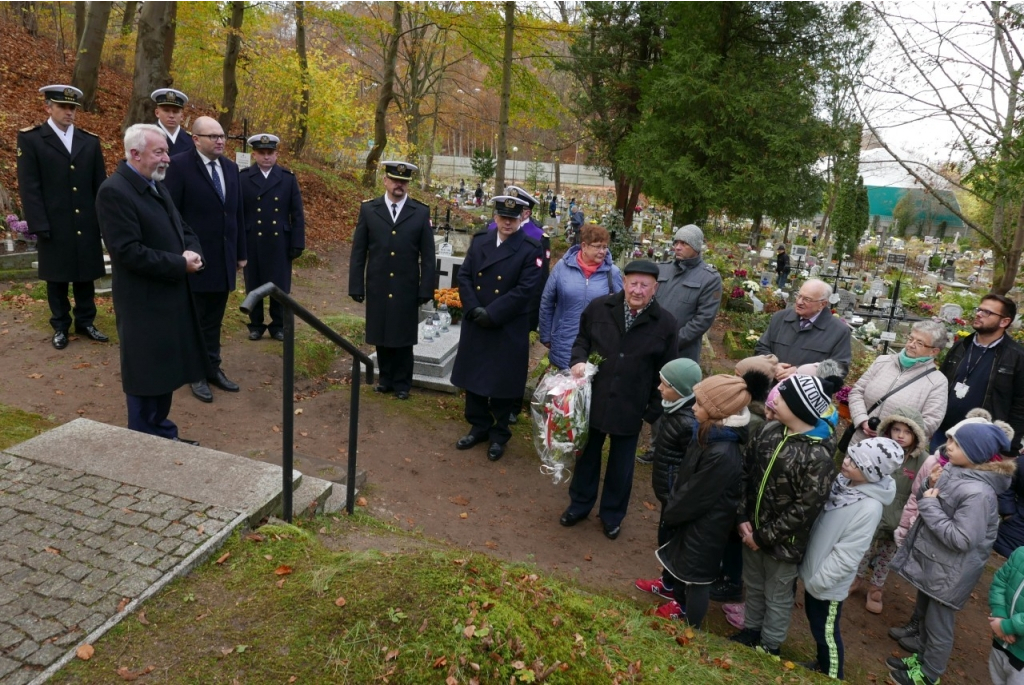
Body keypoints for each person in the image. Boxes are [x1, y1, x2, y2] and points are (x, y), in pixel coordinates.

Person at [94, 124, 206, 441]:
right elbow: (128, 253)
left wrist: (194, 252)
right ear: (135, 154)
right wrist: (179, 264)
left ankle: (161, 433)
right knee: (146, 376)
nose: (167, 159)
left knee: (165, 371)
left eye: (166, 152)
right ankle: (144, 440)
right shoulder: (114, 192)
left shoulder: (155, 184)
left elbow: (183, 228)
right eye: (159, 152)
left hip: (169, 296)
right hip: (142, 303)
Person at [886, 422, 1015, 685]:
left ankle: (930, 674)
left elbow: (962, 538)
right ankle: (920, 659)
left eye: (957, 443)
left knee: (938, 625)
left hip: (951, 573)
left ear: (977, 453)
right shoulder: (956, 472)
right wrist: (928, 488)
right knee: (924, 615)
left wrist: (930, 505)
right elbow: (930, 498)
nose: (948, 446)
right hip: (936, 563)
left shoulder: (979, 493)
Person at [559, 260, 678, 540]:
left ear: (655, 288)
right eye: (633, 283)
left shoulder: (666, 323)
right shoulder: (599, 308)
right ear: (624, 283)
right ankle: (579, 505)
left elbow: (666, 370)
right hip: (595, 399)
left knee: (621, 466)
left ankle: (612, 515)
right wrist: (577, 361)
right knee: (587, 456)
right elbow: (581, 342)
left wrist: (651, 411)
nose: (637, 290)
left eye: (644, 286)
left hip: (631, 405)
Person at [648, 371, 769, 627]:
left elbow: (697, 495)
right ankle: (680, 606)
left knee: (697, 580)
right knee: (684, 571)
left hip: (705, 527)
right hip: (693, 521)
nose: (693, 406)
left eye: (700, 403)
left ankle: (690, 625)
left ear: (719, 411)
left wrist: (672, 512)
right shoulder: (709, 432)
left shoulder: (722, 453)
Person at [731, 373, 841, 656]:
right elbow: (745, 472)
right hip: (750, 530)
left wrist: (763, 537)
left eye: (782, 397)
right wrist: (742, 517)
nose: (774, 399)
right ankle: (751, 630)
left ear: (800, 408)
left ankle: (770, 644)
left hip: (783, 545)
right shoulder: (768, 431)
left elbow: (805, 509)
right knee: (753, 585)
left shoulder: (818, 457)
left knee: (777, 595)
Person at [799, 437, 904, 680]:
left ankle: (833, 673)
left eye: (856, 463)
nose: (846, 462)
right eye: (849, 456)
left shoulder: (869, 508)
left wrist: (820, 580)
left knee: (826, 630)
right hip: (817, 570)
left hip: (828, 581)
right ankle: (822, 664)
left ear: (872, 472)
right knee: (817, 623)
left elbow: (849, 553)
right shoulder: (845, 483)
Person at [450, 196, 544, 461]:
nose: (507, 222)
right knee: (475, 377)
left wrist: (492, 313)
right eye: (503, 217)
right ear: (495, 217)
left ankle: (499, 434)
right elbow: (465, 275)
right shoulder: (480, 241)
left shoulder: (530, 248)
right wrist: (472, 308)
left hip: (506, 325)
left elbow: (526, 289)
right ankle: (478, 426)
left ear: (521, 219)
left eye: (512, 218)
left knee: (503, 382)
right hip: (477, 321)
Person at [16, 84, 108, 350]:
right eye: (63, 107)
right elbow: (29, 186)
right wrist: (39, 223)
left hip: (86, 221)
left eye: (72, 108)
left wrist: (102, 220)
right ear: (48, 107)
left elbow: (99, 185)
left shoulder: (89, 141)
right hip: (53, 222)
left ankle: (86, 321)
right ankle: (60, 325)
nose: (69, 112)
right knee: (57, 277)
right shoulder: (32, 139)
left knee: (85, 274)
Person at [164, 115, 247, 404]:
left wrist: (240, 253)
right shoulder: (180, 166)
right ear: (196, 139)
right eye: (213, 136)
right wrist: (179, 255)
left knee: (215, 318)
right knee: (195, 319)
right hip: (194, 259)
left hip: (223, 259)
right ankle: (195, 372)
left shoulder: (230, 168)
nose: (220, 140)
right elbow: (171, 214)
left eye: (222, 135)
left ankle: (213, 367)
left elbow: (236, 214)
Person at [348, 161, 435, 400]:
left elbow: (428, 256)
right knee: (381, 332)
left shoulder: (420, 212)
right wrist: (356, 284)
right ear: (385, 181)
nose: (399, 185)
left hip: (406, 285)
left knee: (403, 336)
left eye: (404, 181)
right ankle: (385, 379)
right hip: (378, 282)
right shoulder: (369, 209)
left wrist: (426, 288)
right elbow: (359, 251)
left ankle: (402, 383)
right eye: (395, 180)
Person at [634, 358, 701, 606]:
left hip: (676, 494)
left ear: (682, 390)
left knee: (674, 542)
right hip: (668, 492)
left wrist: (676, 492)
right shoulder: (675, 409)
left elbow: (691, 464)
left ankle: (675, 591)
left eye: (666, 384)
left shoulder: (687, 422)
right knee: (666, 538)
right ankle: (667, 582)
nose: (659, 388)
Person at [851, 407, 929, 616]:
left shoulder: (922, 461)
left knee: (887, 556)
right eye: (896, 429)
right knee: (864, 548)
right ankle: (856, 578)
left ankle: (876, 588)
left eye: (907, 432)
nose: (901, 435)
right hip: (874, 512)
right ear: (889, 430)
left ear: (916, 436)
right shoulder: (880, 449)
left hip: (898, 518)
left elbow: (922, 490)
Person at [933, 293, 1024, 452]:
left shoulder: (1016, 357)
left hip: (981, 441)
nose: (978, 314)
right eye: (979, 309)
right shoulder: (961, 346)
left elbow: (1021, 406)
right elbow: (940, 384)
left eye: (987, 312)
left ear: (1004, 321)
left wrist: (1010, 446)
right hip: (943, 434)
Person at [240, 134, 305, 341]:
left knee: (279, 284)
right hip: (253, 239)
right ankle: (256, 324)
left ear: (277, 154)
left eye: (270, 153)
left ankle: (278, 325)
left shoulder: (287, 178)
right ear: (254, 154)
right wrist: (238, 242)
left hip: (280, 241)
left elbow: (297, 214)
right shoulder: (243, 177)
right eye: (262, 153)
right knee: (254, 281)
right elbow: (238, 213)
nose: (266, 157)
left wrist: (297, 242)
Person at [847, 320, 949, 445]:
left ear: (934, 351)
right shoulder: (882, 361)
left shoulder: (937, 381)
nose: (911, 344)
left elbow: (931, 421)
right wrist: (862, 420)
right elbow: (857, 392)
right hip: (859, 440)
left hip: (894, 451)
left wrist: (891, 434)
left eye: (920, 343)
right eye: (910, 339)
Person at [538, 224, 623, 371]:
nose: (602, 251)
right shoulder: (562, 267)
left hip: (598, 343)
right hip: (564, 340)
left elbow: (622, 307)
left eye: (605, 247)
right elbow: (547, 301)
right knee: (564, 388)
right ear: (584, 246)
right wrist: (546, 335)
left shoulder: (612, 273)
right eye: (597, 247)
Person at [754, 278, 852, 379]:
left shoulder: (839, 331)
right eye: (799, 296)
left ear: (822, 304)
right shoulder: (779, 318)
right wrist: (774, 366)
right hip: (772, 389)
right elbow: (761, 348)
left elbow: (840, 367)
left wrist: (800, 372)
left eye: (807, 299)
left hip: (808, 392)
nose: (799, 302)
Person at [655, 225, 722, 364]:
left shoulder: (709, 278)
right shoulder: (662, 269)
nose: (677, 247)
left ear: (696, 247)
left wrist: (671, 343)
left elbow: (703, 320)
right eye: (676, 242)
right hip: (650, 345)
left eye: (684, 243)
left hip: (681, 353)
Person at [988, 545, 1024, 685]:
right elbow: (1000, 581)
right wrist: (999, 614)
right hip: (1000, 641)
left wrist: (1007, 626)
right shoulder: (1020, 553)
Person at [150, 88, 195, 157]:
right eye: (166, 110)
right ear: (157, 113)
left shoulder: (190, 140)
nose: (171, 115)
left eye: (175, 111)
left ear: (182, 116)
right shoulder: (147, 136)